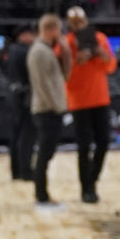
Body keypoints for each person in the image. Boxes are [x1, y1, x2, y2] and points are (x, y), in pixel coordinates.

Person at [64, 5, 117, 203]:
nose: (78, 25)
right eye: (74, 23)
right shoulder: (67, 43)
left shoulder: (100, 39)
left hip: (101, 99)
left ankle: (92, 179)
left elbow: (111, 66)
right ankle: (86, 189)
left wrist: (103, 56)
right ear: (69, 24)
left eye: (80, 22)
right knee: (84, 146)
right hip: (78, 101)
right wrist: (77, 61)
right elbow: (64, 74)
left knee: (104, 142)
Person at [26, 13, 71, 206]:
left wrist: (66, 50)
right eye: (59, 29)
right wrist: (56, 107)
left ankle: (42, 194)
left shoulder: (47, 50)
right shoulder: (38, 52)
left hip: (51, 109)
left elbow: (65, 76)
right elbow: (42, 85)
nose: (60, 33)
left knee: (47, 153)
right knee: (44, 154)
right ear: (51, 29)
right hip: (46, 110)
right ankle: (41, 195)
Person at [6, 24, 36, 180]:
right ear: (23, 35)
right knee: (27, 135)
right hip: (25, 98)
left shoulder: (11, 50)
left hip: (13, 96)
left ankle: (16, 171)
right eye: (31, 34)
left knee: (16, 134)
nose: (34, 38)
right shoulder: (26, 51)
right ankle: (26, 171)